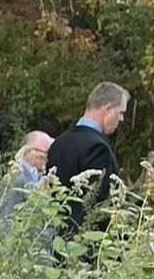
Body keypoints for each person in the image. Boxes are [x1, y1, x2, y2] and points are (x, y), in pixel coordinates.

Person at [48, 82, 129, 235]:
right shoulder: (98, 148)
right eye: (120, 112)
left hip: (56, 236)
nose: (122, 119)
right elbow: (98, 206)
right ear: (108, 109)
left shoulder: (59, 143)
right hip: (85, 239)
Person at [0, 129, 53, 236]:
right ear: (30, 152)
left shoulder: (37, 177)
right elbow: (5, 218)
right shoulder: (16, 178)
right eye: (45, 152)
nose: (47, 157)